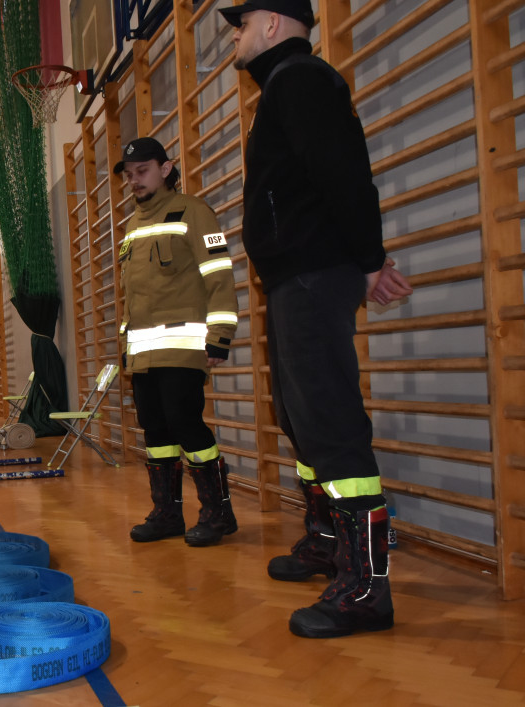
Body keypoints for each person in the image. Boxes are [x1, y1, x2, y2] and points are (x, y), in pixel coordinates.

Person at [220, 0, 414, 638]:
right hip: (296, 277)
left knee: (329, 421)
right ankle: (329, 544)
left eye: (242, 26)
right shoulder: (284, 86)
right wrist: (359, 259)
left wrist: (365, 259)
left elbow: (344, 174)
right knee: (302, 418)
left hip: (311, 275)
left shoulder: (299, 79)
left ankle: (366, 591)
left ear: (273, 24)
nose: (237, 40)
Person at [114, 137, 240, 547]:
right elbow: (132, 296)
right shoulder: (132, 226)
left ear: (166, 169)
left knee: (186, 424)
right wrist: (127, 345)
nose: (135, 181)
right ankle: (168, 514)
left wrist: (220, 335)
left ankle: (218, 514)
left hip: (183, 348)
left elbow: (219, 274)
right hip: (144, 353)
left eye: (142, 171)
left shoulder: (196, 212)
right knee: (155, 431)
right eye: (130, 176)